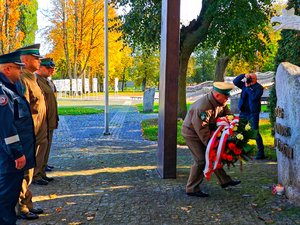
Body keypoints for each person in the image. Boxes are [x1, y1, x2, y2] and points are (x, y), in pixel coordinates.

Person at [182, 82, 241, 197]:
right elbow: (202, 131)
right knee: (201, 159)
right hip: (192, 133)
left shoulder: (220, 101)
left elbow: (227, 115)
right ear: (217, 95)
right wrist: (213, 145)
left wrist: (233, 126)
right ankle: (192, 188)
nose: (227, 100)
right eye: (225, 97)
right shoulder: (203, 108)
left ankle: (224, 181)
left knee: (214, 155)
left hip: (206, 131)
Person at [0, 51, 36, 224]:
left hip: (11, 159)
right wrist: (16, 153)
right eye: (18, 67)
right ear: (7, 69)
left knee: (9, 199)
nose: (22, 71)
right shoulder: (3, 92)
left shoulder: (12, 88)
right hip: (9, 160)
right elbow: (6, 127)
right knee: (5, 202)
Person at [16, 44, 46, 220]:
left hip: (37, 133)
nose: (39, 61)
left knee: (30, 172)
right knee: (25, 172)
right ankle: (21, 207)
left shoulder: (32, 78)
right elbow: (23, 111)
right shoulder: (24, 81)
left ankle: (27, 203)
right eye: (36, 58)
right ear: (25, 60)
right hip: (29, 134)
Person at [35, 58, 58, 179]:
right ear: (39, 68)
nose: (52, 70)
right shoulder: (36, 81)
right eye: (49, 68)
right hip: (42, 121)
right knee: (40, 149)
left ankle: (42, 170)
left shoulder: (47, 81)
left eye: (53, 68)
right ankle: (37, 173)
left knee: (46, 147)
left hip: (50, 120)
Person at [233, 73, 265, 159]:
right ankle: (241, 150)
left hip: (253, 113)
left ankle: (261, 152)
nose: (252, 79)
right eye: (250, 78)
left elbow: (254, 97)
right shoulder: (244, 84)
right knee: (240, 130)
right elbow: (235, 81)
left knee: (255, 132)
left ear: (256, 79)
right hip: (243, 112)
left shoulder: (259, 87)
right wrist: (243, 75)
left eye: (253, 78)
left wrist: (248, 88)